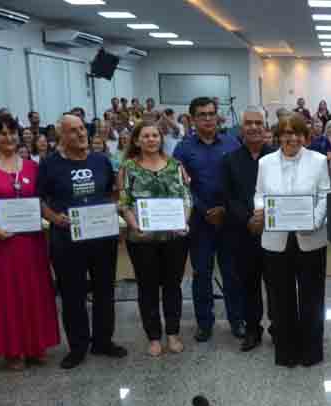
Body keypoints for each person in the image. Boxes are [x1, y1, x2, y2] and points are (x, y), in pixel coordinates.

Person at [38, 114, 127, 369]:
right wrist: (55, 218)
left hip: (101, 237)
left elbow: (113, 192)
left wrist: (113, 211)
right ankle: (77, 347)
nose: (80, 134)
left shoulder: (100, 160)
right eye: (73, 131)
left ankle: (103, 341)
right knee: (72, 294)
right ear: (62, 136)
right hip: (67, 240)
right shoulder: (49, 164)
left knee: (104, 291)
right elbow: (39, 199)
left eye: (82, 129)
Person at [252, 114, 330, 367]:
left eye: (296, 133)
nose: (291, 137)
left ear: (304, 136)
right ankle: (285, 352)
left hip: (311, 238)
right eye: (286, 133)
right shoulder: (265, 163)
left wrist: (314, 221)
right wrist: (261, 209)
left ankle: (311, 352)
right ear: (278, 136)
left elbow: (325, 195)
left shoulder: (318, 161)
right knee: (280, 298)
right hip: (276, 240)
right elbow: (259, 194)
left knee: (312, 297)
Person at [0, 114, 60, 370]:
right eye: (2, 133)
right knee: (6, 296)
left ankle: (35, 345)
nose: (8, 138)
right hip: (0, 246)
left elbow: (40, 204)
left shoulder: (32, 167)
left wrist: (58, 219)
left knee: (34, 293)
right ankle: (13, 350)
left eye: (12, 132)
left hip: (31, 244)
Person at [173, 97, 245, 342]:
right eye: (202, 114)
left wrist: (224, 209)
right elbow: (181, 187)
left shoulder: (232, 143)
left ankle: (238, 320)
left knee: (232, 273)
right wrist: (205, 211)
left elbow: (239, 182)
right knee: (201, 273)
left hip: (228, 221)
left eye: (211, 114)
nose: (207, 119)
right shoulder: (183, 149)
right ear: (192, 119)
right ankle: (204, 323)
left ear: (218, 116)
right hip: (199, 223)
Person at [118, 121, 191, 357]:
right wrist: (133, 225)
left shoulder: (176, 165)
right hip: (141, 239)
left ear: (161, 139)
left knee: (172, 286)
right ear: (137, 140)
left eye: (155, 135)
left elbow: (186, 198)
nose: (151, 139)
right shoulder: (128, 168)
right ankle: (153, 336)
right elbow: (124, 202)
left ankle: (172, 332)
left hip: (174, 237)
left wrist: (184, 221)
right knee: (147, 287)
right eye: (146, 136)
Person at [222, 107, 276, 352]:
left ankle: (278, 328)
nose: (254, 127)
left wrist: (264, 218)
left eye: (258, 122)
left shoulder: (277, 156)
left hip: (275, 231)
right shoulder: (230, 159)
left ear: (265, 126)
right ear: (241, 127)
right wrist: (248, 220)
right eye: (249, 123)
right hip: (243, 233)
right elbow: (229, 197)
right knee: (249, 285)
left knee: (277, 284)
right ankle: (253, 330)